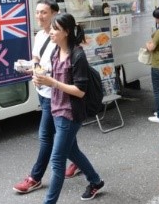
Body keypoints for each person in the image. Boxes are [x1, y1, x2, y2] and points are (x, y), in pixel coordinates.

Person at [33, 13, 104, 203]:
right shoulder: (57, 50)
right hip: (56, 107)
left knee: (57, 161)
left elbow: (80, 91)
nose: (51, 32)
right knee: (72, 152)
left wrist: (52, 82)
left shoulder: (78, 55)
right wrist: (40, 79)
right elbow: (55, 76)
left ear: (65, 32)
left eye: (55, 29)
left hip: (70, 113)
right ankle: (95, 181)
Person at [13, 0, 80, 195]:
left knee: (46, 136)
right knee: (65, 138)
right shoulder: (40, 36)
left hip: (56, 94)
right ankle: (85, 170)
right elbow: (37, 59)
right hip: (43, 91)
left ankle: (35, 177)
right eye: (37, 12)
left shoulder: (59, 38)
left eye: (44, 12)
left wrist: (44, 75)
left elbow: (61, 67)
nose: (39, 16)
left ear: (54, 14)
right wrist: (32, 70)